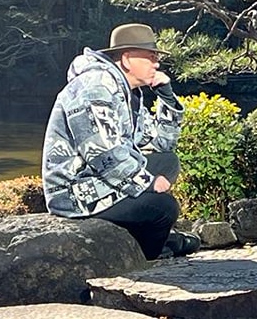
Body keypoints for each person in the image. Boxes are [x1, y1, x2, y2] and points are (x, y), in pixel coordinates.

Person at [42, 22, 197, 260]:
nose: (157, 64)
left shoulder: (128, 93)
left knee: (168, 162)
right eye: (150, 57)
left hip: (101, 180)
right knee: (164, 208)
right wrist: (146, 182)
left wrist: (166, 97)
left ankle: (150, 233)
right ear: (126, 59)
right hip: (77, 193)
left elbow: (161, 144)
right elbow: (101, 153)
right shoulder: (94, 86)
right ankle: (149, 250)